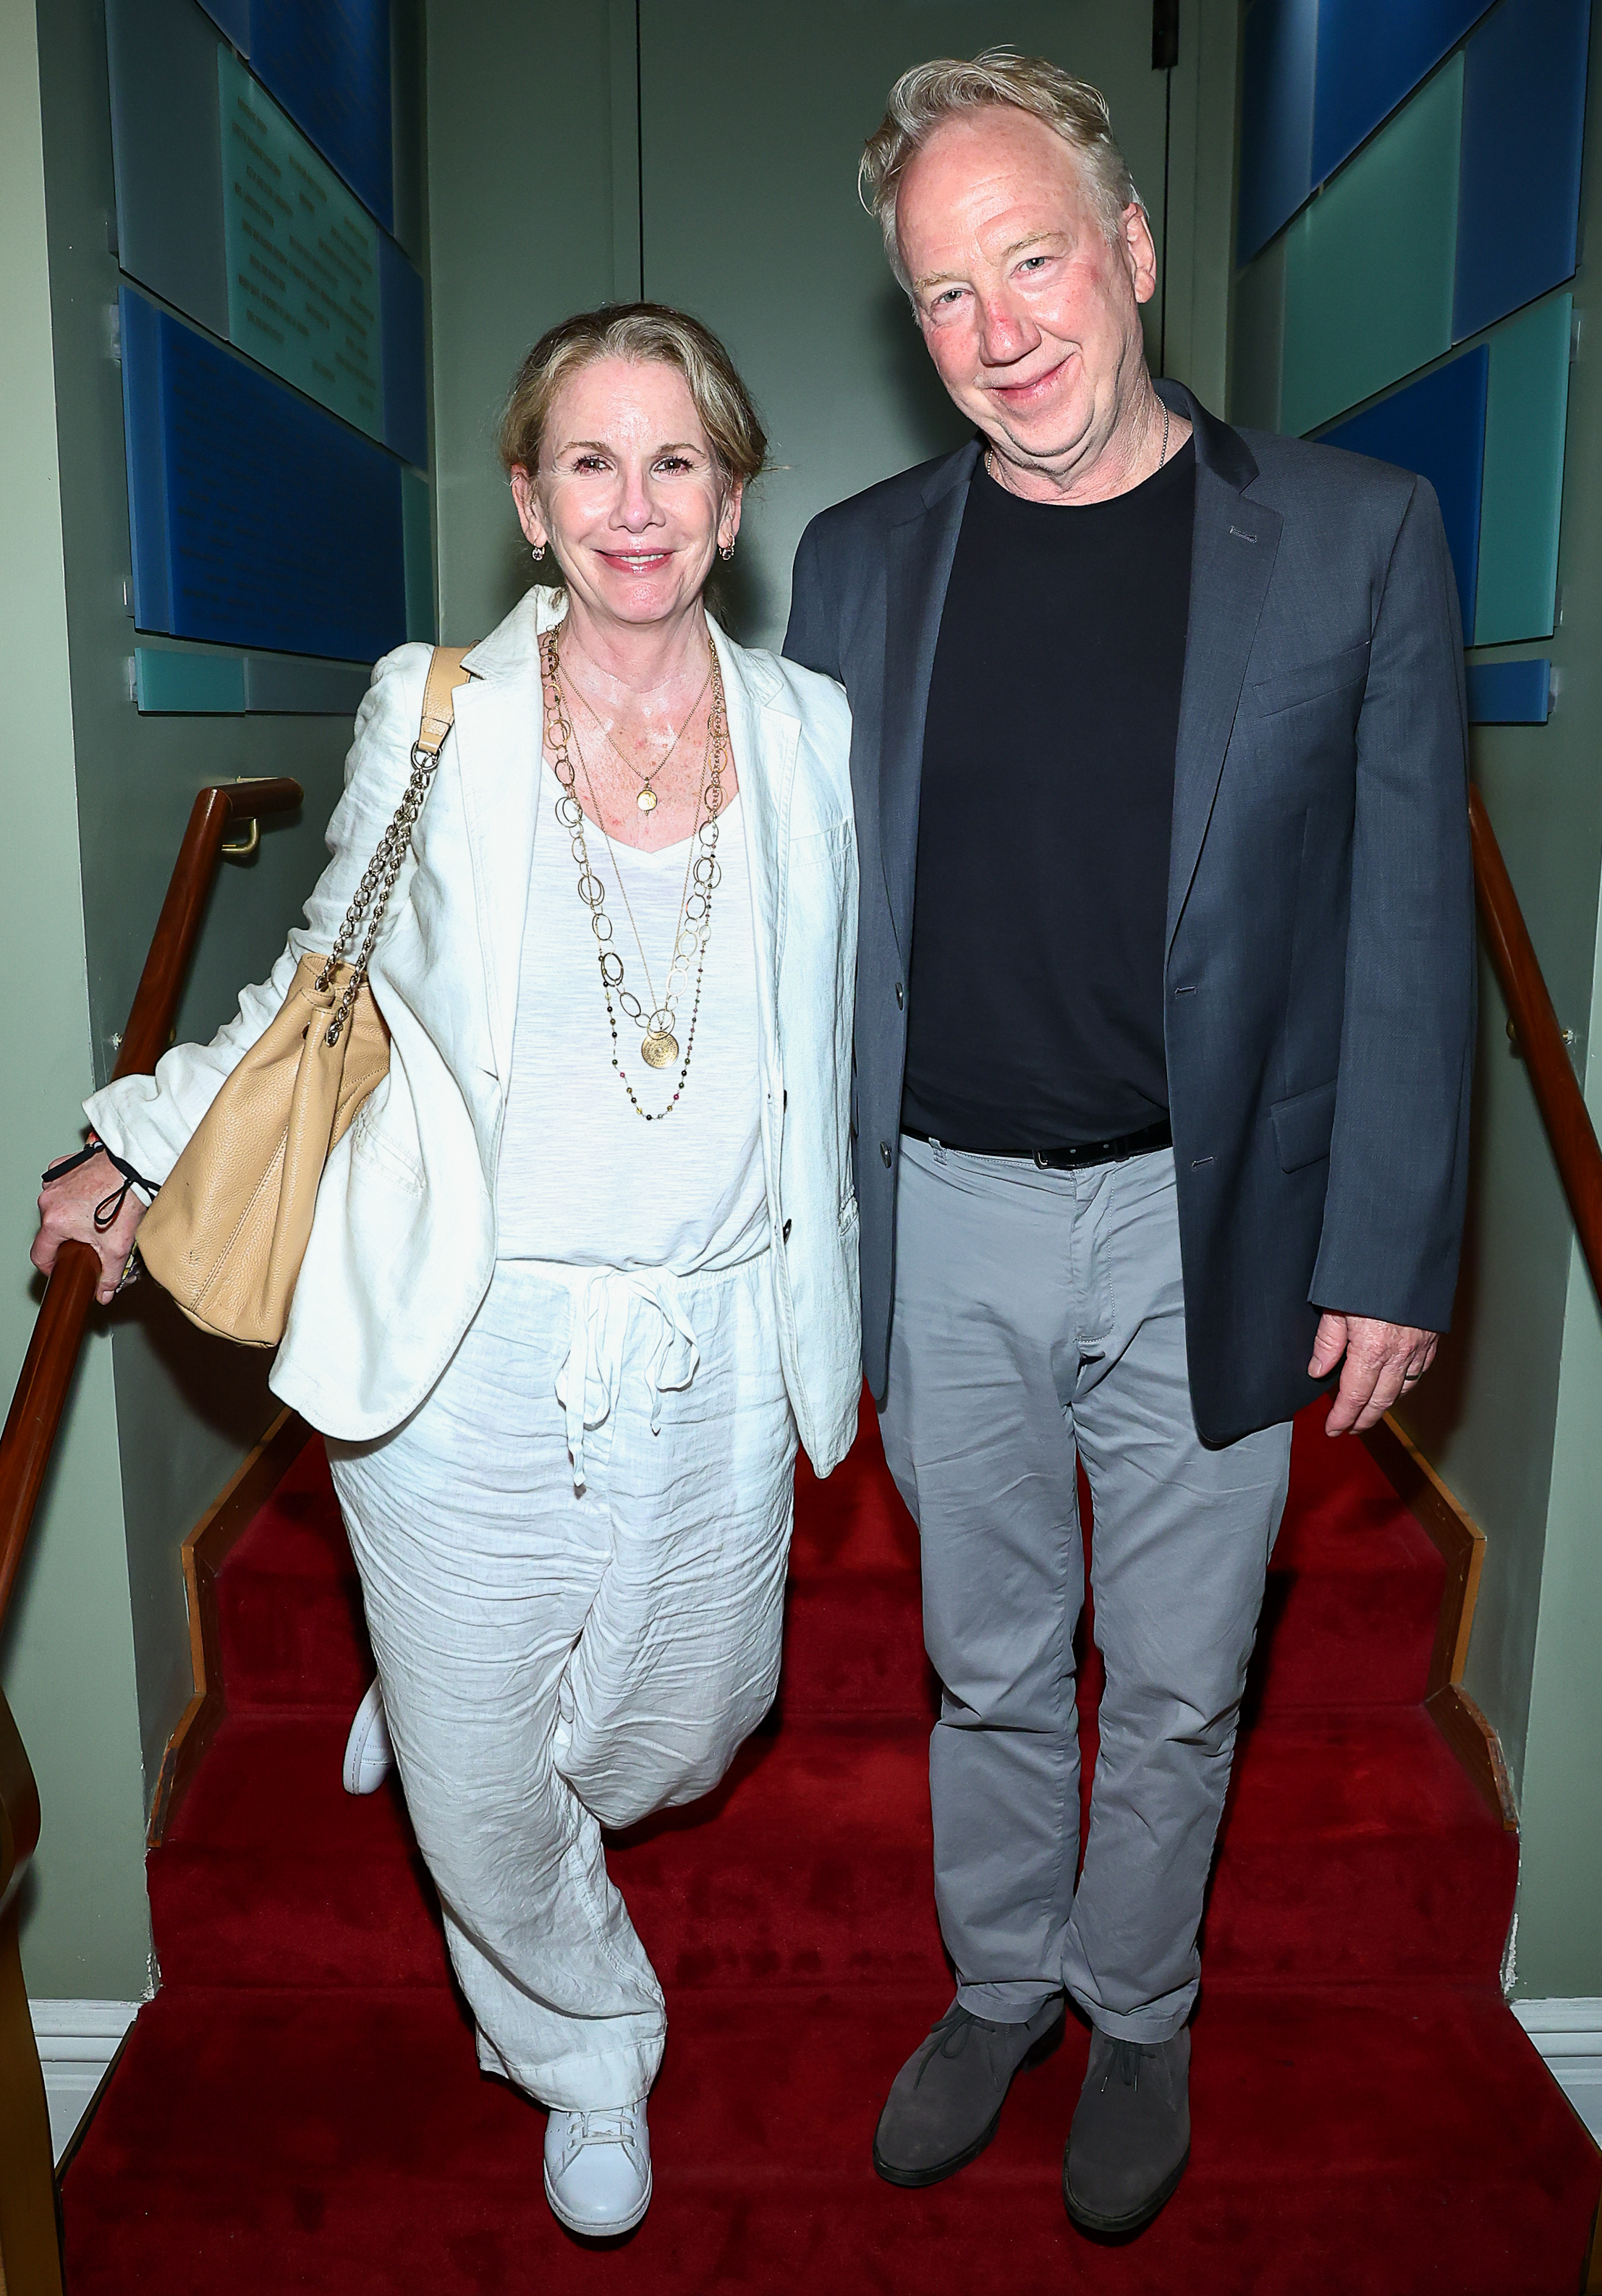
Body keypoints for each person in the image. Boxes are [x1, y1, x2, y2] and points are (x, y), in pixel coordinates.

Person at [34, 303, 861, 2242]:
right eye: (592, 461)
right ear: (529, 497)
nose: (634, 504)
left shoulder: (813, 729)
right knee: (491, 1789)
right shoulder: (446, 710)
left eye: (676, 462)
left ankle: (453, 1692)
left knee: (687, 1728)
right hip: (467, 1330)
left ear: (731, 500)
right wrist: (139, 1138)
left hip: (717, 1321)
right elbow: (313, 974)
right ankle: (583, 2042)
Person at [782, 52, 1472, 2238]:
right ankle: (1002, 1981)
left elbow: (1404, 921)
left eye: (1036, 258)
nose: (1001, 328)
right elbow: (791, 923)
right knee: (987, 1660)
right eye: (946, 294)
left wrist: (1392, 1241)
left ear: (1134, 251)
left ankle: (1141, 2001)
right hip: (948, 1218)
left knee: (1180, 1680)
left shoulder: (1356, 538)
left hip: (1216, 1221)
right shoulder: (856, 563)